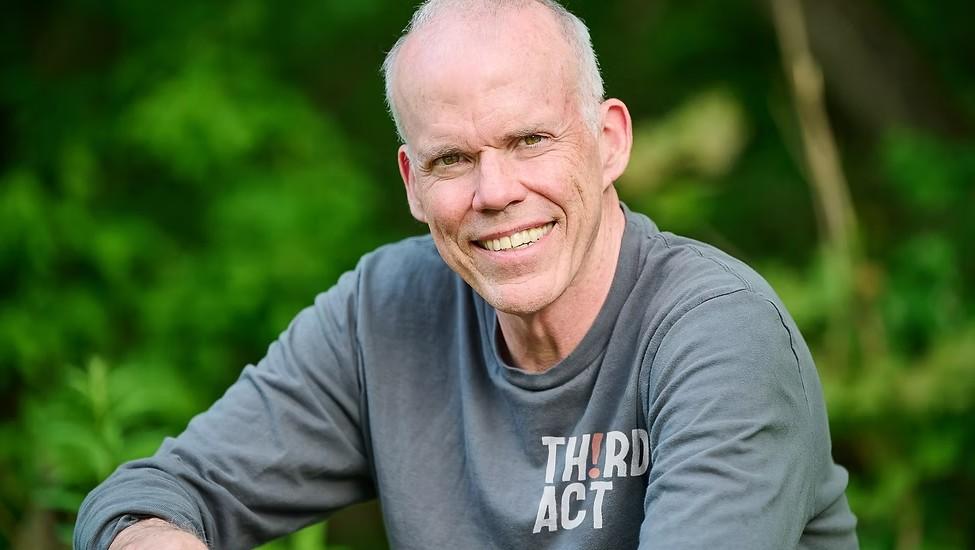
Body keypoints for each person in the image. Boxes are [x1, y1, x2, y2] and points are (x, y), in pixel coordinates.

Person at [75, 0, 859, 548]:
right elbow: (142, 499)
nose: (494, 193)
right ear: (411, 182)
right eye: (452, 158)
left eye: (529, 141)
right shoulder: (385, 314)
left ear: (609, 140)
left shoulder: (717, 333)